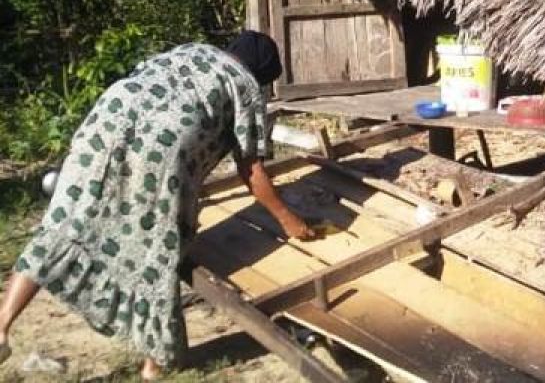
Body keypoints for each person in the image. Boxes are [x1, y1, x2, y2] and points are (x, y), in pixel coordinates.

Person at [0, 30, 315, 380]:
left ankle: (1, 326)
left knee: (63, 223)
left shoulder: (193, 50)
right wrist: (289, 220)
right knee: (158, 249)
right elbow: (249, 168)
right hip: (162, 150)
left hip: (109, 119)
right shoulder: (245, 85)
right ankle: (155, 363)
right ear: (261, 72)